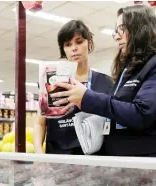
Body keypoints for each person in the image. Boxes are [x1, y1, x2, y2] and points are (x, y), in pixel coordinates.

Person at [52, 5, 156, 157]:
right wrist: (78, 102)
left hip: (150, 167)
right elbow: (117, 110)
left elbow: (142, 114)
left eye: (122, 29)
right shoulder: (131, 70)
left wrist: (87, 97)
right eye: (116, 32)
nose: (117, 36)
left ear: (141, 28)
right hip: (124, 165)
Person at [34, 20, 113, 154]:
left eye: (79, 41)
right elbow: (40, 123)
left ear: (89, 43)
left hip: (96, 159)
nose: (74, 48)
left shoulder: (106, 83)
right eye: (68, 44)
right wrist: (38, 153)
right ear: (64, 50)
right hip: (58, 159)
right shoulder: (52, 81)